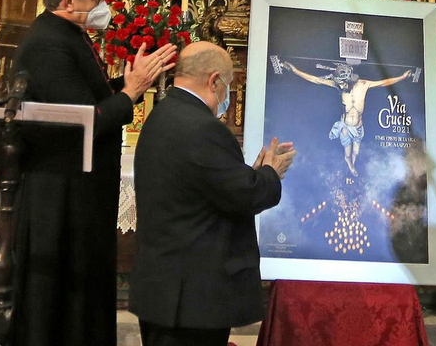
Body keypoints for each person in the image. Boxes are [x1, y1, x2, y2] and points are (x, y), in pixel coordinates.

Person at [10, 0, 176, 346]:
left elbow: (90, 98)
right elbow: (84, 120)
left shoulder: (67, 35)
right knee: (60, 298)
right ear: (68, 0)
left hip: (79, 189)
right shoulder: (49, 44)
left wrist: (134, 78)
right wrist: (132, 91)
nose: (101, 6)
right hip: (60, 193)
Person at [132, 42, 293, 346]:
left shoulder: (160, 116)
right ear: (214, 81)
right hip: (193, 298)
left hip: (163, 290)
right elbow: (247, 196)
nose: (228, 95)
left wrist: (253, 174)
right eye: (229, 85)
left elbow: (210, 186)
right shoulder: (204, 129)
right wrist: (271, 173)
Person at [273, 57, 415, 175]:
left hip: (358, 126)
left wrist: (403, 77)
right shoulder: (338, 85)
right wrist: (295, 70)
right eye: (338, 82)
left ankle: (352, 162)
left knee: (356, 152)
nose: (339, 84)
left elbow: (385, 82)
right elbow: (316, 80)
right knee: (347, 153)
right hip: (346, 126)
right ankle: (349, 164)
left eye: (341, 81)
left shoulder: (364, 84)